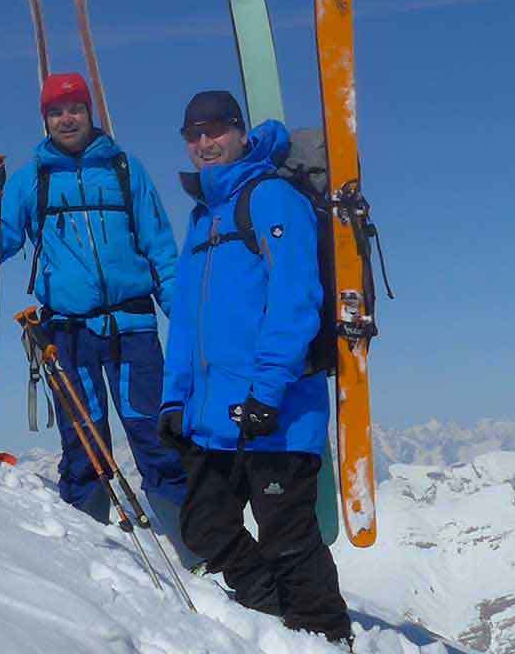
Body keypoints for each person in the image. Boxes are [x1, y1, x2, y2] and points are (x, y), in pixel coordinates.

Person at [0, 73, 186, 518]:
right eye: (56, 111)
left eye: (75, 108)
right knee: (83, 448)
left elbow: (162, 253)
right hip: (68, 335)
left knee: (156, 440)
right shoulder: (30, 181)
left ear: (90, 112)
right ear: (45, 119)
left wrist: (189, 326)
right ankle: (82, 566)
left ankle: (196, 559)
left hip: (134, 327)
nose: (67, 118)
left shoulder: (125, 170)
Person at [157, 90, 351, 645]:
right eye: (193, 134)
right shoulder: (202, 218)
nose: (204, 142)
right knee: (204, 525)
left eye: (215, 128)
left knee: (288, 540)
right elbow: (189, 326)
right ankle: (272, 625)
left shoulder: (271, 198)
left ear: (241, 132)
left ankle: (327, 637)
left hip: (278, 413)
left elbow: (296, 300)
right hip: (215, 417)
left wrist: (267, 391)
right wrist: (175, 400)